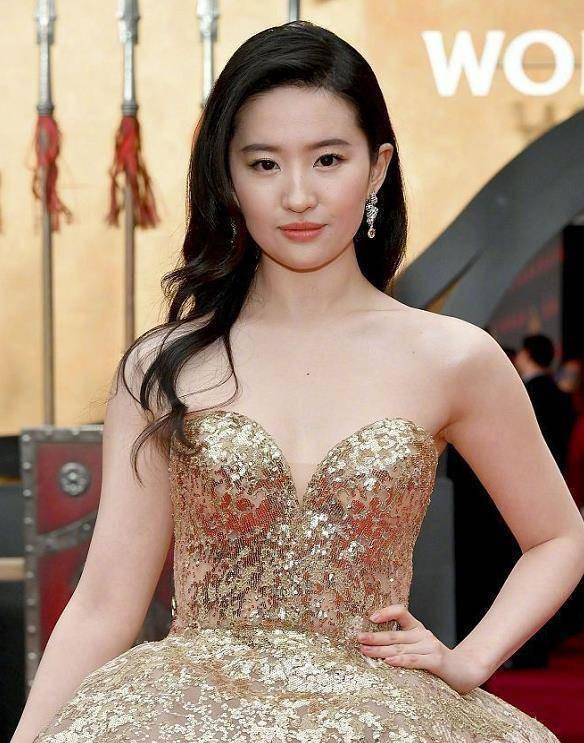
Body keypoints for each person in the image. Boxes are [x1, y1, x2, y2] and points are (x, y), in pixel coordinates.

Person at [12, 20, 584, 743]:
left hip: (385, 716)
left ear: (376, 169)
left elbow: (558, 536)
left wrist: (469, 661)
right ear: (227, 176)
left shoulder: (452, 356)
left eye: (328, 159)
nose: (298, 195)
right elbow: (103, 606)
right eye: (264, 163)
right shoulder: (164, 368)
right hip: (186, 715)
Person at [514, 334, 576, 475]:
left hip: (529, 467)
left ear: (527, 354)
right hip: (557, 468)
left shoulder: (523, 393)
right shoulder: (560, 392)